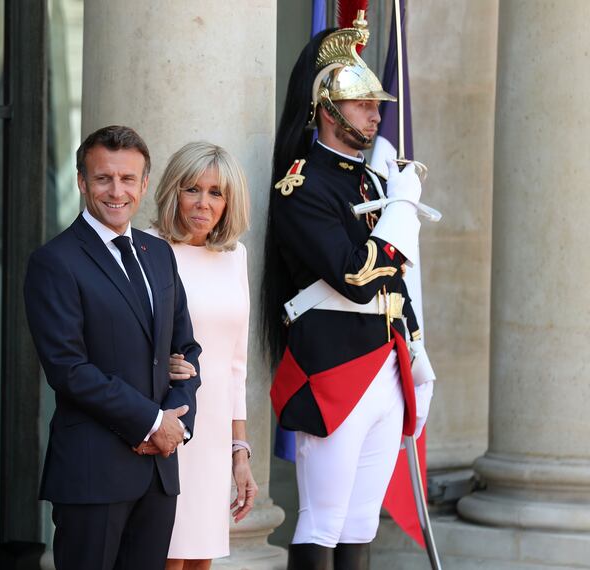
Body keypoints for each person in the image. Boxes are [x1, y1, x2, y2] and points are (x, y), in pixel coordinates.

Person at [261, 14, 436, 570]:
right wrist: (402, 212)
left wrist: (414, 349)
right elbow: (356, 276)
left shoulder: (371, 181)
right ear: (327, 109)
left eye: (376, 103)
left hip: (385, 363)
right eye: (362, 103)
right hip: (335, 366)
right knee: (323, 520)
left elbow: (396, 285)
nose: (376, 112)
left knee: (360, 524)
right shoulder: (303, 184)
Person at [24, 125, 202, 570]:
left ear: (144, 184)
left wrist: (175, 424)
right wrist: (150, 422)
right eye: (104, 178)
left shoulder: (158, 253)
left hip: (158, 473)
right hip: (92, 475)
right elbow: (69, 369)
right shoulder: (55, 261)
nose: (116, 191)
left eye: (128, 179)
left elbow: (186, 350)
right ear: (82, 182)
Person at [144, 142, 257, 570]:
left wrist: (239, 452)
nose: (203, 203)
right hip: (166, 421)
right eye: (192, 189)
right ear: (174, 190)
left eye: (216, 192)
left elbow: (235, 365)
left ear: (229, 202)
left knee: (201, 558)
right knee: (167, 556)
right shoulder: (147, 249)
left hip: (212, 434)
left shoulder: (235, 257)